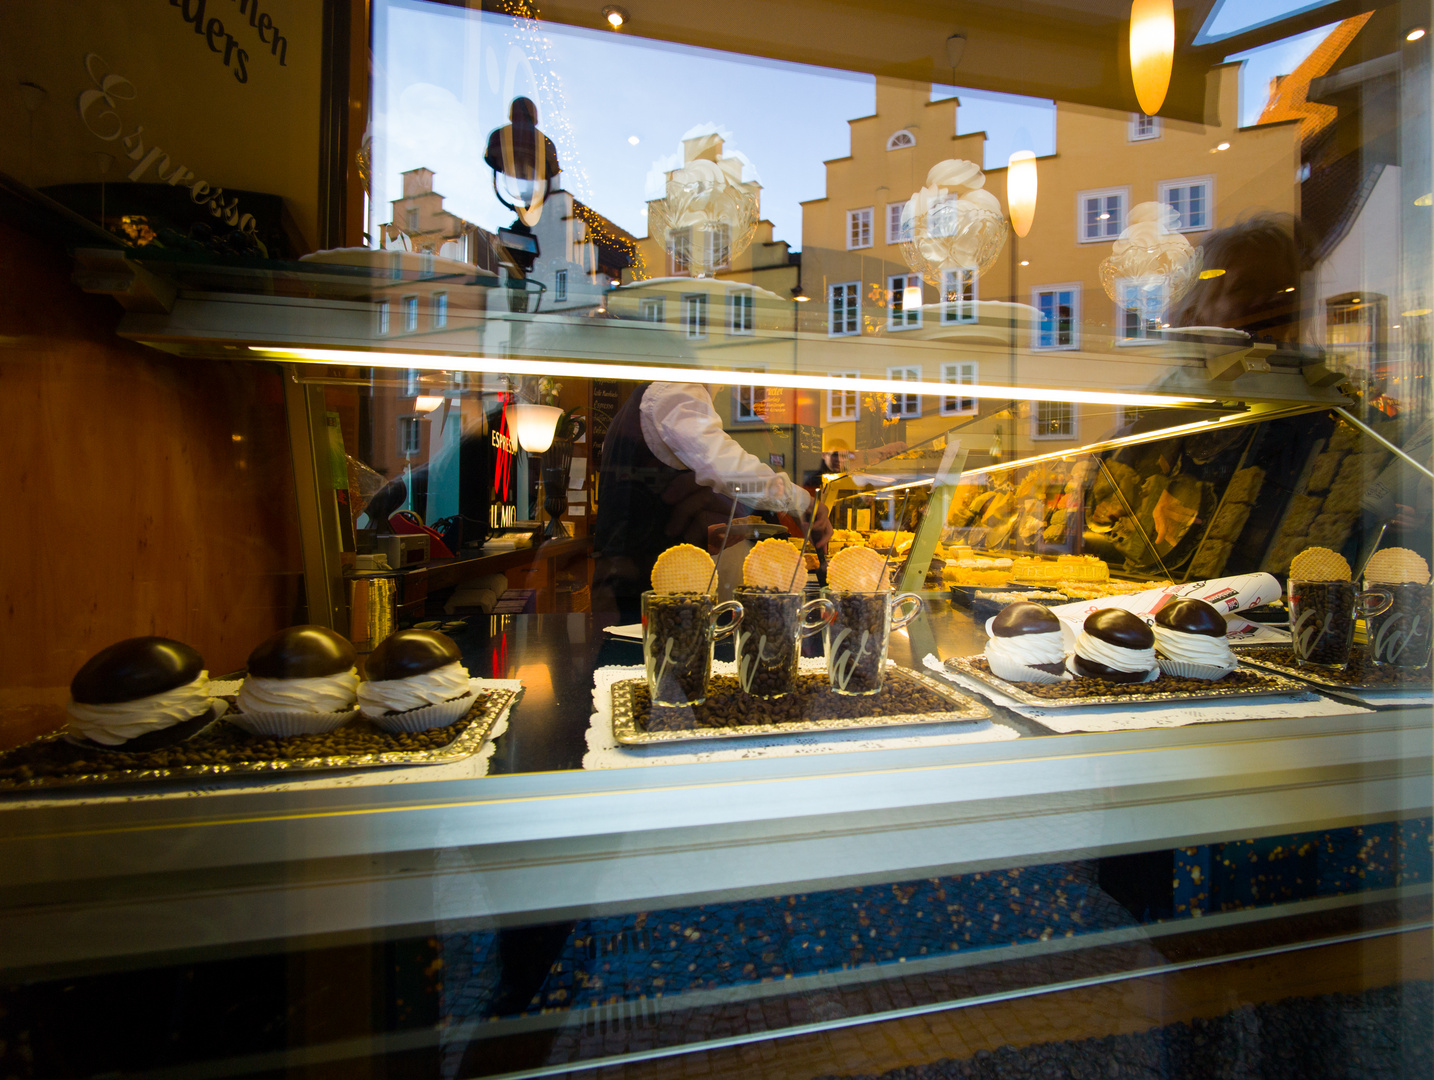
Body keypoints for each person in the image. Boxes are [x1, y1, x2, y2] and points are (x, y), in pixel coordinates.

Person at [594, 382, 832, 618]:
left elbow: (660, 500)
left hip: (636, 580)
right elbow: (728, 469)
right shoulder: (676, 390)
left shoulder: (653, 398)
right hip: (642, 589)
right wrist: (804, 503)